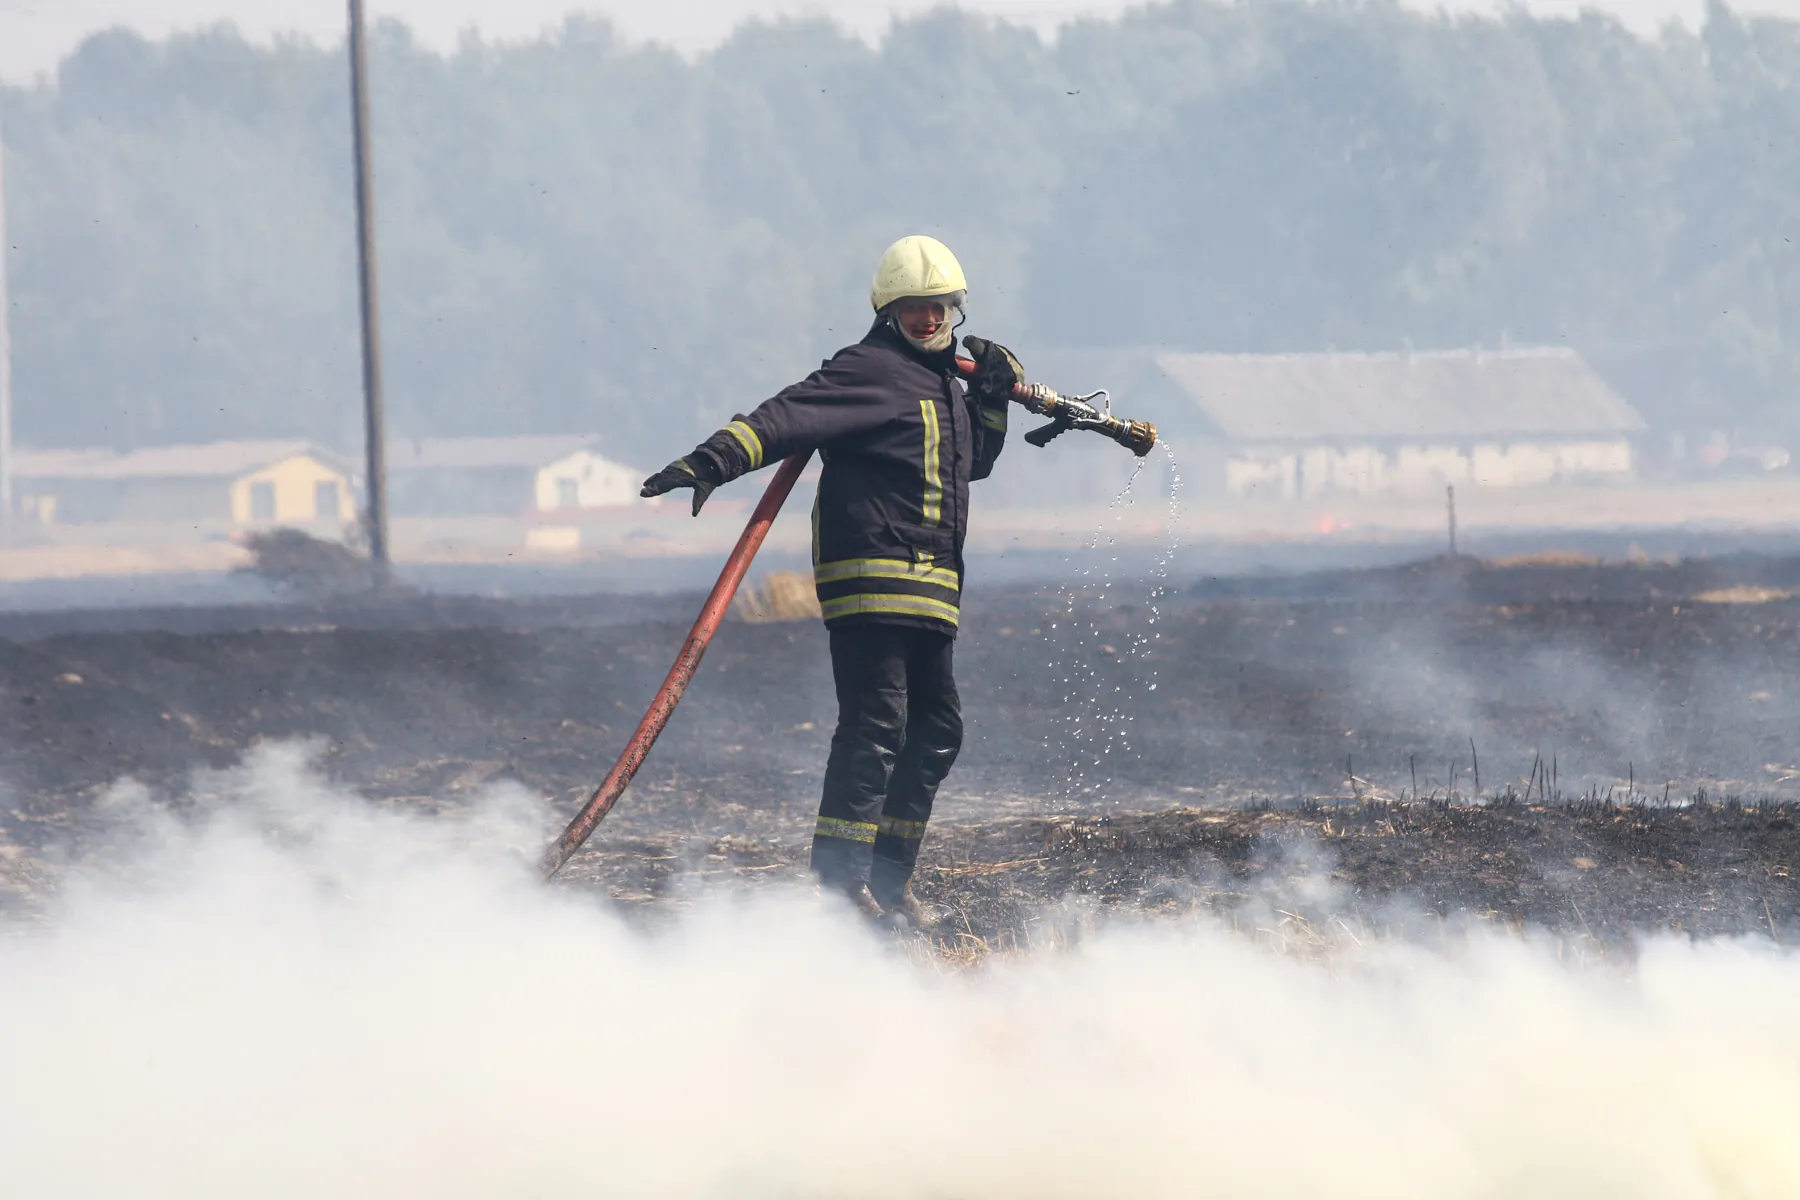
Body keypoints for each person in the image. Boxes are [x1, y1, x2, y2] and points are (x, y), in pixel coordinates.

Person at [640, 235, 1022, 928]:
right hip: (873, 575)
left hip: (933, 585)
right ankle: (839, 893)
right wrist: (709, 462)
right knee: (878, 726)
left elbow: (974, 464)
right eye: (914, 310)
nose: (928, 320)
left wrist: (991, 401)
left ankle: (888, 881)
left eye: (939, 308)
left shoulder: (943, 384)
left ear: (955, 310)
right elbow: (785, 417)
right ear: (888, 310)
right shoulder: (869, 371)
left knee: (936, 730)